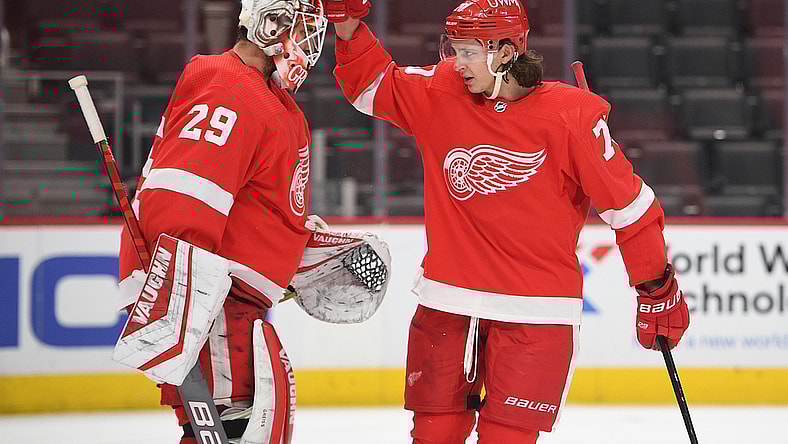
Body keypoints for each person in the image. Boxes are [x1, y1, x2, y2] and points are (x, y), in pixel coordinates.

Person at [325, 0, 690, 442]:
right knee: (434, 434)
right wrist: (347, 28)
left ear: (505, 51)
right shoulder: (442, 91)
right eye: (453, 49)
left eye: (467, 51)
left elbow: (631, 209)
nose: (455, 63)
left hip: (535, 315)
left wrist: (655, 288)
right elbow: (373, 86)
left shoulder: (572, 116)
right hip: (448, 301)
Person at [117, 0, 327, 442]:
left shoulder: (270, 99)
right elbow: (185, 194)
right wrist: (180, 296)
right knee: (229, 429)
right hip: (211, 302)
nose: (310, 45)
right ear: (270, 26)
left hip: (232, 304)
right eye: (303, 29)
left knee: (233, 428)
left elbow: (257, 203)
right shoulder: (232, 85)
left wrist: (297, 245)